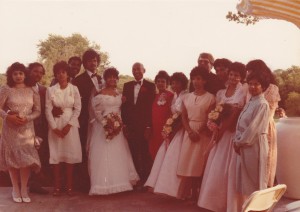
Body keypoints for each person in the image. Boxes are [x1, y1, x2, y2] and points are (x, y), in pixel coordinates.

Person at [198, 62, 247, 212]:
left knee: (229, 167)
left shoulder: (243, 91)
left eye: (237, 75)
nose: (233, 78)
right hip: (221, 132)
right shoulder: (220, 93)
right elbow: (216, 111)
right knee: (216, 165)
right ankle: (213, 202)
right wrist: (213, 124)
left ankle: (230, 204)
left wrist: (224, 128)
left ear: (241, 77)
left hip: (232, 132)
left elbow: (237, 111)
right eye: (231, 74)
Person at [88, 67, 139, 195]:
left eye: (114, 77)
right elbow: (96, 112)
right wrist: (106, 123)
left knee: (119, 154)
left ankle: (120, 183)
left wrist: (117, 124)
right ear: (105, 79)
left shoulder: (119, 94)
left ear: (117, 79)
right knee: (104, 154)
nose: (112, 79)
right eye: (109, 77)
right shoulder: (99, 94)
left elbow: (120, 111)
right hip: (103, 128)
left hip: (118, 128)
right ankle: (103, 185)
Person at [0, 62, 41, 203]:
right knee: (13, 159)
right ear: (11, 75)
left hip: (27, 129)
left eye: (21, 73)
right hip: (10, 129)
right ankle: (15, 189)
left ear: (25, 75)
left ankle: (24, 188)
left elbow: (38, 110)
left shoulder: (32, 90)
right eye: (15, 73)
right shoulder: (6, 89)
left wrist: (28, 118)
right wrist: (8, 116)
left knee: (26, 160)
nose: (18, 76)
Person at [145, 72, 188, 198]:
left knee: (176, 158)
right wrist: (169, 127)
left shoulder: (186, 96)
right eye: (173, 83)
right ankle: (163, 186)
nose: (175, 85)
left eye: (177, 83)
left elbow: (184, 115)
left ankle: (178, 190)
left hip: (181, 130)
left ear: (183, 84)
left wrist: (174, 127)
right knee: (166, 157)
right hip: (172, 129)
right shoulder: (175, 96)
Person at [233, 71, 270, 208]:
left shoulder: (262, 104)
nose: (253, 87)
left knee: (254, 180)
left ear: (264, 86)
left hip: (254, 145)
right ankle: (247, 208)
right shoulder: (251, 102)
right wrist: (237, 140)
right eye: (250, 84)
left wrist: (239, 142)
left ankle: (258, 209)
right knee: (245, 181)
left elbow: (253, 129)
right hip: (244, 145)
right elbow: (241, 124)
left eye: (257, 84)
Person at [177, 66, 215, 200]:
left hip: (202, 132)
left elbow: (209, 117)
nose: (195, 81)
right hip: (189, 131)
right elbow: (184, 116)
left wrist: (198, 131)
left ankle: (198, 194)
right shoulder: (186, 97)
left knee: (199, 163)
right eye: (193, 78)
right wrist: (189, 131)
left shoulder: (211, 98)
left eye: (199, 78)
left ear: (204, 81)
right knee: (188, 163)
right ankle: (189, 193)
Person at [45, 61, 82, 196]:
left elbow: (78, 108)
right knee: (56, 156)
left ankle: (69, 186)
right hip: (55, 124)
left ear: (67, 74)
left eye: (63, 72)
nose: (61, 75)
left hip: (70, 124)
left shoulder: (74, 89)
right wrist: (54, 128)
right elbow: (48, 110)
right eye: (58, 72)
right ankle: (57, 187)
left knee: (69, 156)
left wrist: (69, 125)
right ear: (55, 74)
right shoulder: (51, 90)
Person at [245, 59, 280, 187]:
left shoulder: (272, 88)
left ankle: (265, 194)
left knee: (265, 162)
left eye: (250, 71)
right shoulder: (248, 86)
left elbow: (268, 111)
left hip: (264, 127)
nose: (248, 73)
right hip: (249, 127)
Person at [121, 62, 156, 189]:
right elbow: (124, 107)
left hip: (144, 125)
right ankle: (136, 180)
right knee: (133, 152)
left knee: (145, 153)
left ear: (144, 70)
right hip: (131, 125)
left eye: (138, 69)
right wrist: (124, 124)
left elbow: (150, 108)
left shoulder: (151, 86)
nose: (136, 71)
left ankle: (147, 180)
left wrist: (148, 126)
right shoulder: (127, 85)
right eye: (133, 69)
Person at [72, 49, 102, 192]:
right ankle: (84, 183)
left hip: (100, 122)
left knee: (98, 151)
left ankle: (98, 179)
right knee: (85, 150)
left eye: (95, 60)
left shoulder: (102, 79)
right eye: (90, 60)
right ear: (85, 63)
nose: (93, 63)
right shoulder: (78, 80)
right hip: (84, 121)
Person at [27, 62, 50, 194]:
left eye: (41, 72)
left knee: (40, 155)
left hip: (42, 128)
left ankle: (36, 184)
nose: (38, 74)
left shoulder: (43, 89)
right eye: (35, 71)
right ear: (29, 71)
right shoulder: (22, 88)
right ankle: (27, 183)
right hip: (26, 127)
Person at [149, 70, 173, 160]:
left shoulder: (171, 95)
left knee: (164, 152)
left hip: (165, 128)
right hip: (154, 129)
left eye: (163, 81)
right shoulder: (153, 96)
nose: (160, 83)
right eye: (158, 81)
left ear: (167, 83)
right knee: (153, 150)